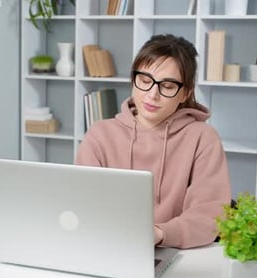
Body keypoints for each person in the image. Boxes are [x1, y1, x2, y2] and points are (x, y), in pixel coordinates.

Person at [75, 34, 231, 249]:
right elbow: (83, 204)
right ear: (133, 79)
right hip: (107, 247)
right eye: (145, 81)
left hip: (177, 251)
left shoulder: (203, 138)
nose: (152, 94)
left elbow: (209, 215)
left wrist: (160, 233)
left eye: (167, 86)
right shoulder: (99, 135)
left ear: (185, 92)